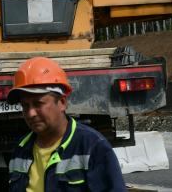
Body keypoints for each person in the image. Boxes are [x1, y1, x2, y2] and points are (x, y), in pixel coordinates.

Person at [7, 57, 126, 192]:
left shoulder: (91, 146)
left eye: (38, 104)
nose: (30, 113)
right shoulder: (21, 149)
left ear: (62, 102)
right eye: (25, 106)